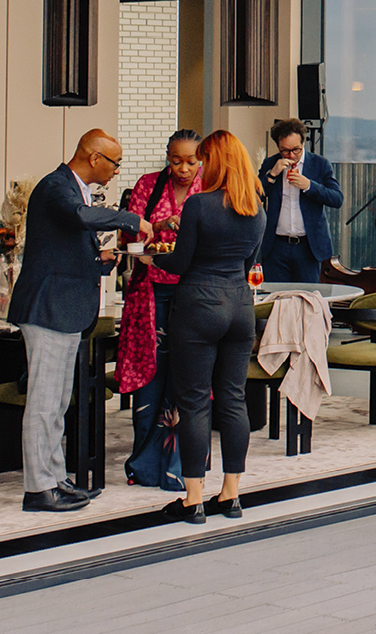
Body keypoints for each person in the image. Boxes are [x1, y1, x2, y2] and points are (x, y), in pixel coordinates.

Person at [7, 129, 147, 513]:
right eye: (115, 163)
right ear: (94, 156)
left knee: (56, 403)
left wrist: (98, 261)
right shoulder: (56, 186)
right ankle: (39, 488)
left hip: (64, 307)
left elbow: (63, 246)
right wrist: (131, 218)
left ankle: (56, 478)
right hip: (48, 308)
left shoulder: (73, 187)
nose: (116, 171)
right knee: (44, 403)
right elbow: (79, 217)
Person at [156, 130, 264, 523]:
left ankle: (193, 499)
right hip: (239, 306)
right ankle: (231, 495)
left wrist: (153, 261)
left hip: (199, 305)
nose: (197, 165)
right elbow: (249, 259)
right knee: (233, 399)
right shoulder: (257, 208)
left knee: (195, 401)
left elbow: (182, 261)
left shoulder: (199, 205)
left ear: (214, 162)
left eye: (202, 159)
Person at [115, 130, 202, 491]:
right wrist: (160, 228)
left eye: (191, 161)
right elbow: (127, 236)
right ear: (167, 156)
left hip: (192, 294)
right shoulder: (148, 185)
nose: (183, 168)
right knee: (149, 381)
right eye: (176, 160)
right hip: (149, 295)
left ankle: (180, 470)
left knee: (186, 382)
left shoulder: (211, 188)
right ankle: (146, 467)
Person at [255, 118, 344, 286]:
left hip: (307, 247)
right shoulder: (270, 163)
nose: (292, 156)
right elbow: (254, 197)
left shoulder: (320, 164)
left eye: (296, 150)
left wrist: (309, 186)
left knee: (307, 299)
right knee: (277, 299)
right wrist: (272, 175)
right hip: (276, 246)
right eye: (285, 151)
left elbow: (337, 199)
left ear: (303, 142)